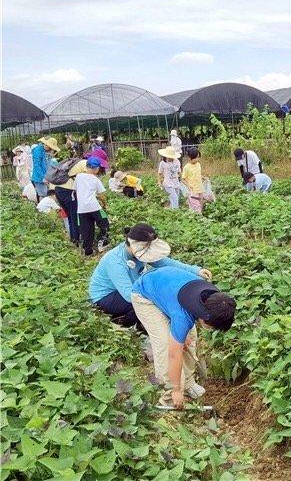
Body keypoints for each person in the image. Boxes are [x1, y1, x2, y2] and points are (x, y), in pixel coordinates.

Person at [131, 267, 236, 407]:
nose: (212, 329)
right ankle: (169, 397)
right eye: (212, 326)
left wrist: (182, 335)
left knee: (190, 337)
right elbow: (174, 354)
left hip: (169, 292)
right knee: (166, 345)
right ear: (204, 315)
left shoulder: (216, 300)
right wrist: (175, 390)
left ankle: (187, 384)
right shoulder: (182, 316)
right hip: (145, 295)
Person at [89, 223, 212, 331]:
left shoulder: (138, 253)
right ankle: (125, 324)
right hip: (106, 296)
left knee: (153, 299)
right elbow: (129, 295)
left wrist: (196, 271)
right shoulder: (115, 261)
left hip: (131, 288)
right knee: (145, 304)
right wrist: (159, 298)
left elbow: (166, 263)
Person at [75, 156, 110, 256]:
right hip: (94, 207)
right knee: (104, 224)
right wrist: (104, 205)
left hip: (81, 210)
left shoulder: (78, 177)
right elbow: (101, 195)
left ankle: (88, 251)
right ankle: (101, 243)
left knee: (86, 230)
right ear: (96, 168)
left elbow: (76, 190)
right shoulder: (96, 180)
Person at [53, 157, 88, 247]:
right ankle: (76, 241)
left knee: (70, 216)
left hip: (58, 189)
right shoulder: (85, 163)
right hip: (68, 191)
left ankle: (73, 239)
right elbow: (88, 178)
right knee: (74, 217)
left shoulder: (73, 164)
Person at [31, 137, 60, 202]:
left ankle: (49, 210)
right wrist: (43, 177)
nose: (51, 149)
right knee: (43, 194)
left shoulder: (45, 151)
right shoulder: (37, 151)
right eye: (51, 147)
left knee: (48, 194)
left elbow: (48, 164)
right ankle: (43, 210)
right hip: (39, 177)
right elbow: (37, 166)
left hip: (46, 176)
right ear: (47, 145)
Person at [182, 147, 204, 213]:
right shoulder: (186, 167)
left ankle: (200, 215)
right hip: (192, 190)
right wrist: (188, 186)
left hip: (200, 187)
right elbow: (183, 179)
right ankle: (197, 216)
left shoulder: (198, 165)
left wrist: (203, 177)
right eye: (196, 157)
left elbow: (198, 174)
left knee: (201, 203)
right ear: (190, 158)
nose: (197, 159)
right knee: (195, 205)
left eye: (198, 157)